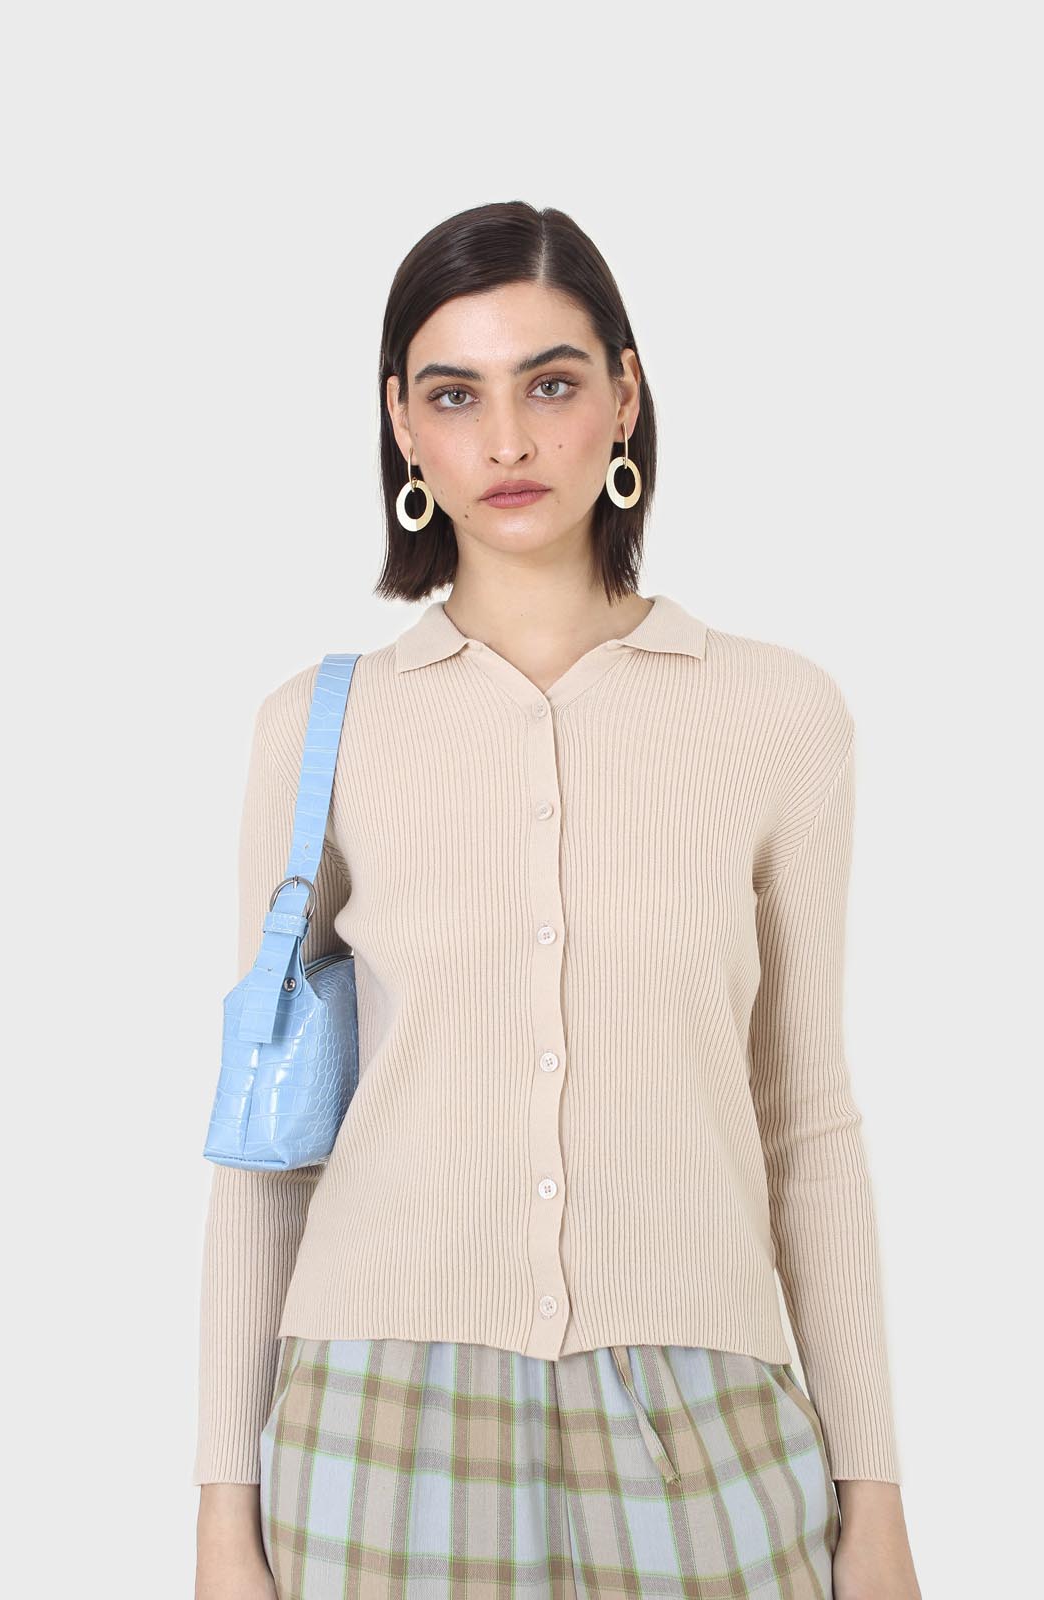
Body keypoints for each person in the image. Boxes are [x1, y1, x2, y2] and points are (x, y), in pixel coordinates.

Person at [193, 200, 921, 1599]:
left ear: (624, 396)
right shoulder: (322, 730)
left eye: (551, 384)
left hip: (705, 1417)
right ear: (402, 425)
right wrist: (227, 1519)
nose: (508, 443)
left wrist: (873, 1499)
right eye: (455, 395)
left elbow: (808, 1124)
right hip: (375, 1427)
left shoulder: (777, 713)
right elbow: (264, 1156)